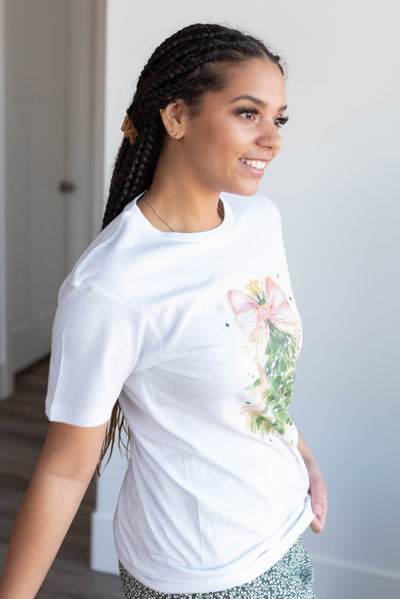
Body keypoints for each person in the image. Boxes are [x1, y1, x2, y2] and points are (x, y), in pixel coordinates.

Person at [0, 23, 327, 599]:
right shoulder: (112, 286)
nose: (272, 139)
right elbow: (65, 469)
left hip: (286, 527)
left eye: (278, 118)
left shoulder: (259, 221)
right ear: (175, 117)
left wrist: (300, 455)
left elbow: (254, 369)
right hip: (203, 573)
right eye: (248, 113)